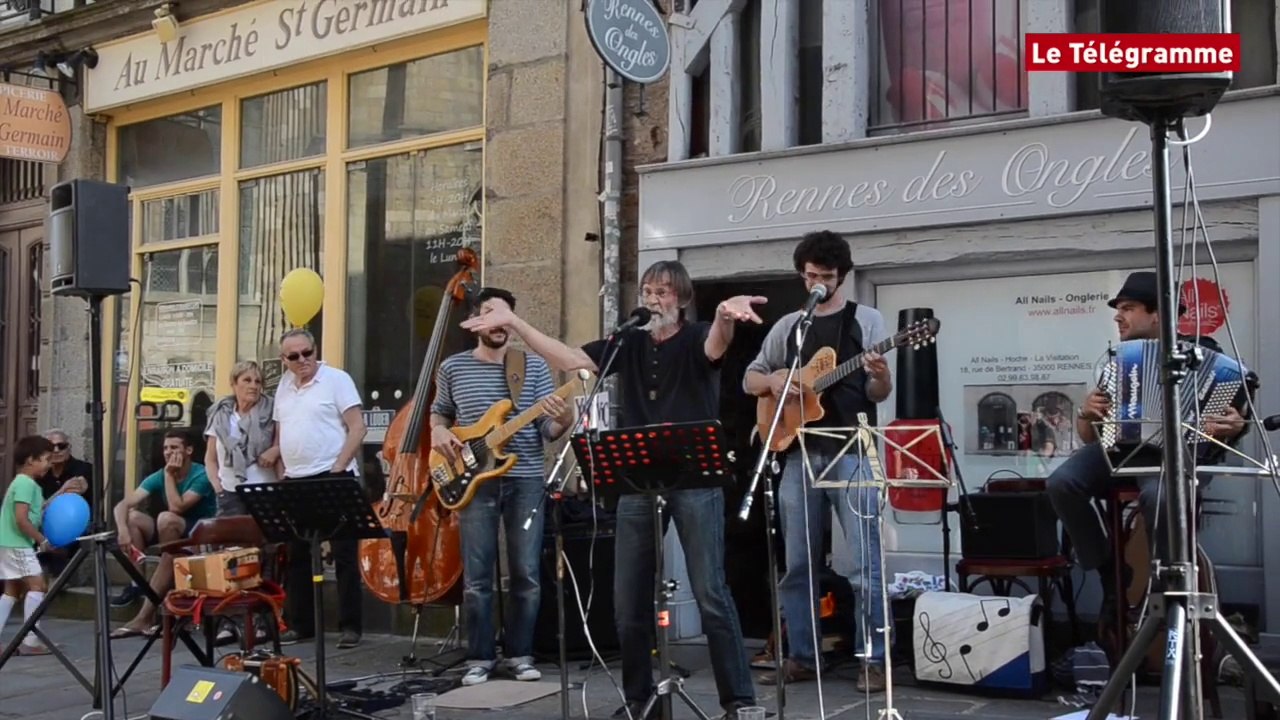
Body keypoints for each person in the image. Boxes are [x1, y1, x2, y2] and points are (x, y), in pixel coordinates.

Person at [462, 260, 764, 720]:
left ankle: (739, 703)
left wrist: (726, 312)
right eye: (647, 290)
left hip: (694, 480)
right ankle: (640, 701)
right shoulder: (628, 341)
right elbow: (570, 360)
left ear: (681, 298)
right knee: (627, 603)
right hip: (638, 480)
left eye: (663, 291)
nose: (653, 299)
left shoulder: (696, 334)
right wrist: (516, 323)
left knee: (710, 593)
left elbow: (717, 342)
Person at [743, 230, 892, 693]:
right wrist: (777, 380)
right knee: (798, 564)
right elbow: (750, 380)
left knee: (866, 563)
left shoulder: (866, 320)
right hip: (798, 453)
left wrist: (880, 375)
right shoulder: (789, 326)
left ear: (842, 276)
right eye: (811, 277)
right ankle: (805, 656)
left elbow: (879, 394)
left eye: (826, 277)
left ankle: (875, 658)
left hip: (851, 449)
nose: (819, 285)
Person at [1046, 271, 1248, 606]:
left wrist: (1234, 424)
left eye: (1128, 307)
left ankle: (1165, 585)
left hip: (1180, 453)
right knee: (1061, 483)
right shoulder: (1117, 362)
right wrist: (1086, 414)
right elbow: (1087, 437)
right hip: (1123, 448)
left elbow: (1232, 421)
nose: (1117, 315)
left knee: (1159, 497)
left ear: (1158, 314)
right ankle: (1108, 569)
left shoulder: (1206, 356)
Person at [430, 287, 575, 686]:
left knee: (526, 573)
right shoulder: (453, 368)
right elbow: (439, 415)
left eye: (506, 318)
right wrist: (439, 434)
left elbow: (548, 429)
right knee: (477, 576)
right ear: (477, 320)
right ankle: (479, 656)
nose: (499, 326)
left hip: (525, 477)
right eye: (492, 316)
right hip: (472, 480)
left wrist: (565, 418)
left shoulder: (533, 368)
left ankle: (520, 654)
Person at [271, 328, 367, 648]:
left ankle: (350, 626)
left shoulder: (336, 379)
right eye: (294, 357)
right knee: (297, 554)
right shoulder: (284, 387)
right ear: (284, 360)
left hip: (332, 473)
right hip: (296, 478)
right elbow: (282, 433)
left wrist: (339, 466)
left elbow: (357, 426)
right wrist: (283, 473)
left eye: (307, 353)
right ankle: (301, 624)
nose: (303, 361)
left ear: (315, 349)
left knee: (344, 554)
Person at [110, 428, 217, 637]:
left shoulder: (201, 474)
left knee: (165, 519)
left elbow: (177, 507)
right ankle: (138, 585)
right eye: (166, 448)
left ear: (188, 450)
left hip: (200, 533)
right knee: (132, 518)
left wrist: (169, 475)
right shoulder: (158, 475)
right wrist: (122, 532)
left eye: (174, 447)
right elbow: (122, 505)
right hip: (172, 533)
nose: (168, 452)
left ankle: (145, 616)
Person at [0, 435, 56, 656]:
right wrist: (43, 540)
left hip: (8, 543)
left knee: (12, 591)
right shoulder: (25, 483)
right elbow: (21, 519)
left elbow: (35, 511)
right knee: (38, 586)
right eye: (46, 459)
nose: (49, 464)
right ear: (31, 460)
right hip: (18, 545)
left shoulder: (21, 483)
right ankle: (31, 641)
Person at [205, 361, 278, 516]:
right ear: (234, 383)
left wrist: (275, 450)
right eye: (247, 380)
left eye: (258, 381)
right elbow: (210, 458)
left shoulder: (272, 411)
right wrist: (218, 487)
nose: (254, 386)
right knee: (231, 539)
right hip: (229, 493)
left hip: (264, 492)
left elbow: (285, 443)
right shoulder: (221, 414)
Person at [35, 429, 94, 577]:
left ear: (69, 448)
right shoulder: (40, 475)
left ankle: (57, 576)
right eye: (51, 446)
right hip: (45, 524)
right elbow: (38, 509)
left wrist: (50, 501)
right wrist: (62, 490)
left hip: (77, 526)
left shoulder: (83, 469)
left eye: (61, 446)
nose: (56, 450)